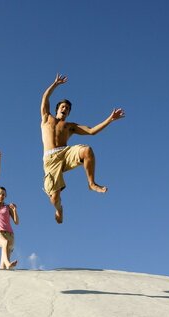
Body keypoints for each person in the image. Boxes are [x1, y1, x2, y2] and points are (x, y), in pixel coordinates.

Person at [41, 73, 125, 223]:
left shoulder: (70, 126)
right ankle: (59, 209)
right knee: (54, 198)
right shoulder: (47, 118)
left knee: (87, 150)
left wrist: (110, 119)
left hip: (65, 153)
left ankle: (91, 183)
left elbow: (92, 131)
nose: (65, 109)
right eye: (62, 107)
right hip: (50, 159)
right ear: (57, 109)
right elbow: (45, 98)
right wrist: (55, 84)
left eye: (67, 108)